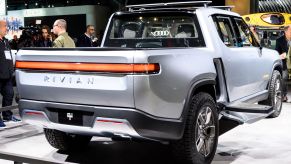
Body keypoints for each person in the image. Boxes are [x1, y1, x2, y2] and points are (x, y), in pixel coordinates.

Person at [0, 20, 21, 128]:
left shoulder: (5, 41)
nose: (6, 28)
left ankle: (7, 115)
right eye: (4, 26)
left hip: (7, 75)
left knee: (9, 94)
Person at [275, 25, 291, 102]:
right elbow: (277, 54)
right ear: (286, 31)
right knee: (283, 77)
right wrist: (282, 55)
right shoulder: (279, 40)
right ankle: (283, 95)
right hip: (285, 65)